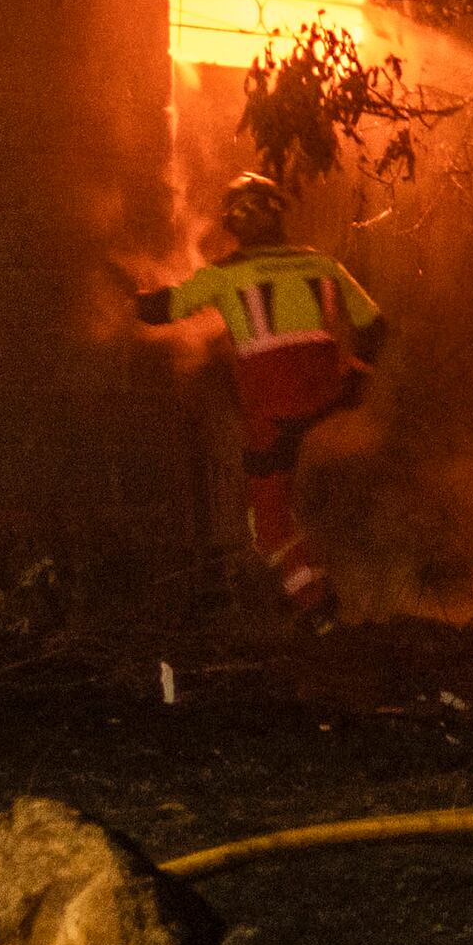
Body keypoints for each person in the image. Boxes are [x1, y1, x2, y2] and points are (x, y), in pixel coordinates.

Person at [132, 172, 389, 618]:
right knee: (345, 504)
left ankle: (319, 612)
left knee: (269, 530)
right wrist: (356, 379)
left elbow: (160, 310)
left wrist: (123, 293)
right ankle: (368, 595)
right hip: (330, 404)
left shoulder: (227, 274)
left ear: (232, 224)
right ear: (279, 214)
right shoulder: (322, 264)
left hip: (273, 416)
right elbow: (376, 327)